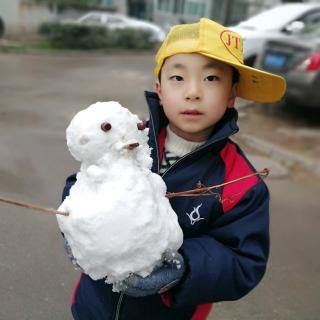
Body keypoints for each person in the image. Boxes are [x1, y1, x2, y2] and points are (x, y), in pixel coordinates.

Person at [61, 18, 286, 319]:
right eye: (178, 78)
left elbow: (243, 261)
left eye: (211, 79)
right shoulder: (125, 140)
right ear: (160, 89)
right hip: (95, 307)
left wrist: (182, 268)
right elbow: (82, 182)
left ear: (232, 94)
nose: (193, 91)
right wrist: (75, 227)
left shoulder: (241, 183)